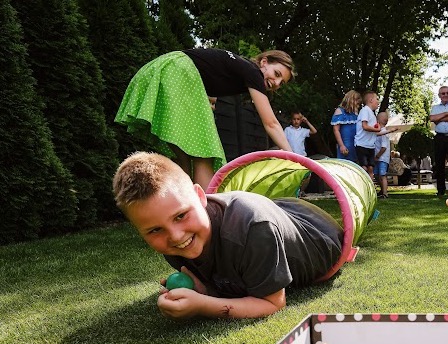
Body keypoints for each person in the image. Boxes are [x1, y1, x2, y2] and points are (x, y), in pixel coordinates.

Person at [112, 152, 344, 320]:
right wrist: (205, 289)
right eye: (154, 230)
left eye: (181, 215)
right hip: (273, 212)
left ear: (200, 196)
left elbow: (272, 302)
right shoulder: (176, 244)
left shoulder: (255, 228)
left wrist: (203, 305)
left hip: (319, 231)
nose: (175, 236)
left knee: (258, 219)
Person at [115, 48, 295, 191]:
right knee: (204, 150)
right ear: (264, 62)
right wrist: (293, 156)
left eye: (282, 83)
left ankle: (183, 206)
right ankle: (207, 213)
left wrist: (210, 100)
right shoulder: (254, 72)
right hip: (178, 72)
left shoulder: (240, 68)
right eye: (277, 74)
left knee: (185, 155)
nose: (277, 84)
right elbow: (271, 123)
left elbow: (211, 76)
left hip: (166, 67)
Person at [429, 86, 448, 196]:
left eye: (447, 93)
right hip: (439, 138)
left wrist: (439, 118)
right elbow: (432, 119)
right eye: (443, 93)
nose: (445, 95)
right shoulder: (435, 107)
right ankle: (440, 190)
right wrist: (446, 115)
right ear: (439, 95)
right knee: (439, 164)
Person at [354, 91, 383, 181]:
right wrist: (377, 129)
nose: (378, 102)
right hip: (361, 144)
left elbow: (374, 132)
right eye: (377, 99)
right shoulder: (365, 110)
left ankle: (371, 189)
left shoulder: (372, 114)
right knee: (364, 168)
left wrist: (388, 131)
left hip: (370, 146)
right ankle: (363, 186)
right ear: (371, 100)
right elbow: (365, 126)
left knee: (370, 168)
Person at [331, 90, 362, 163]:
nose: (358, 105)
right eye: (356, 103)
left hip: (355, 145)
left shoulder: (356, 113)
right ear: (351, 100)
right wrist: (341, 145)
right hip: (345, 145)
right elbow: (336, 130)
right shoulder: (339, 111)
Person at [374, 112, 391, 198]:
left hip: (382, 158)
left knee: (382, 175)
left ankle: (385, 193)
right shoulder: (378, 131)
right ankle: (382, 190)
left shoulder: (384, 132)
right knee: (376, 175)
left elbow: (384, 147)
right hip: (378, 157)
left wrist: (377, 156)